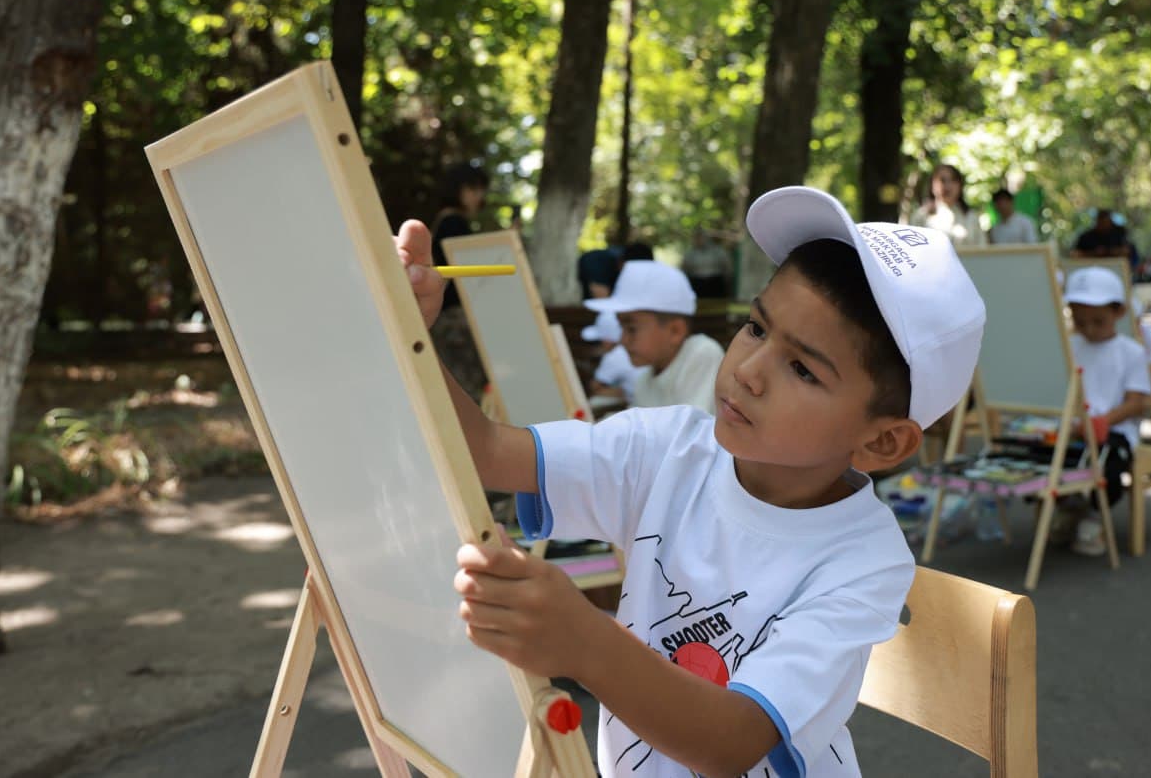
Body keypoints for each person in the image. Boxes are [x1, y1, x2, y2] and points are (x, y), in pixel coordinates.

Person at [394, 185, 986, 777]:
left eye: (803, 368)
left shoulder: (863, 562)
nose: (748, 372)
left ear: (883, 441)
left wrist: (585, 641)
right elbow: (490, 452)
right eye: (756, 328)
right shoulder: (666, 449)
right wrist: (406, 332)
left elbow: (731, 743)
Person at [1061, 267, 1151, 556]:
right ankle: (1069, 506)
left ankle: (1094, 514)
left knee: (1109, 468)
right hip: (1074, 428)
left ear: (1119, 312)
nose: (1088, 329)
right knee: (1045, 458)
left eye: (1097, 322)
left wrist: (1102, 422)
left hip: (1113, 432)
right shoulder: (1069, 346)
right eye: (1080, 321)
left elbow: (1136, 402)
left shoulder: (1131, 351)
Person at [585, 260, 724, 415]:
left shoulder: (702, 354)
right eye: (621, 328)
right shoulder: (644, 381)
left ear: (675, 331)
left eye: (631, 329)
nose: (623, 340)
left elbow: (690, 432)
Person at [428, 161, 490, 400]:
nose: (479, 197)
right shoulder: (454, 223)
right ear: (460, 190)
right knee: (466, 391)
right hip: (456, 321)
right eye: (474, 190)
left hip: (444, 318)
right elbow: (468, 268)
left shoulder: (442, 222)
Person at [909, 163, 985, 247]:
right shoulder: (921, 216)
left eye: (953, 180)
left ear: (960, 185)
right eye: (942, 180)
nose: (947, 186)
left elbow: (982, 250)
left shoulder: (971, 217)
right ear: (932, 185)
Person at [582, 311, 642, 405]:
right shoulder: (632, 350)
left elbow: (595, 388)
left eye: (600, 340)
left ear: (607, 340)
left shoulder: (614, 355)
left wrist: (623, 392)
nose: (600, 344)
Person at [682, 230, 733, 298]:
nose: (699, 240)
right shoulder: (690, 254)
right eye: (696, 238)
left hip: (715, 283)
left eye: (701, 237)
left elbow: (727, 268)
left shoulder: (718, 251)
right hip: (697, 283)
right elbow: (684, 270)